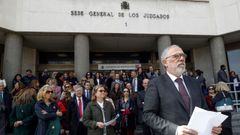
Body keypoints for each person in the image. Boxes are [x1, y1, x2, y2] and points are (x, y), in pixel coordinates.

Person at [143, 45, 222, 135]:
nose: (181, 59)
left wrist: (211, 125)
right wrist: (175, 130)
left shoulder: (194, 83)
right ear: (165, 62)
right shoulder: (156, 84)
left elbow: (204, 109)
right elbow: (148, 115)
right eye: (176, 56)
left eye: (183, 56)